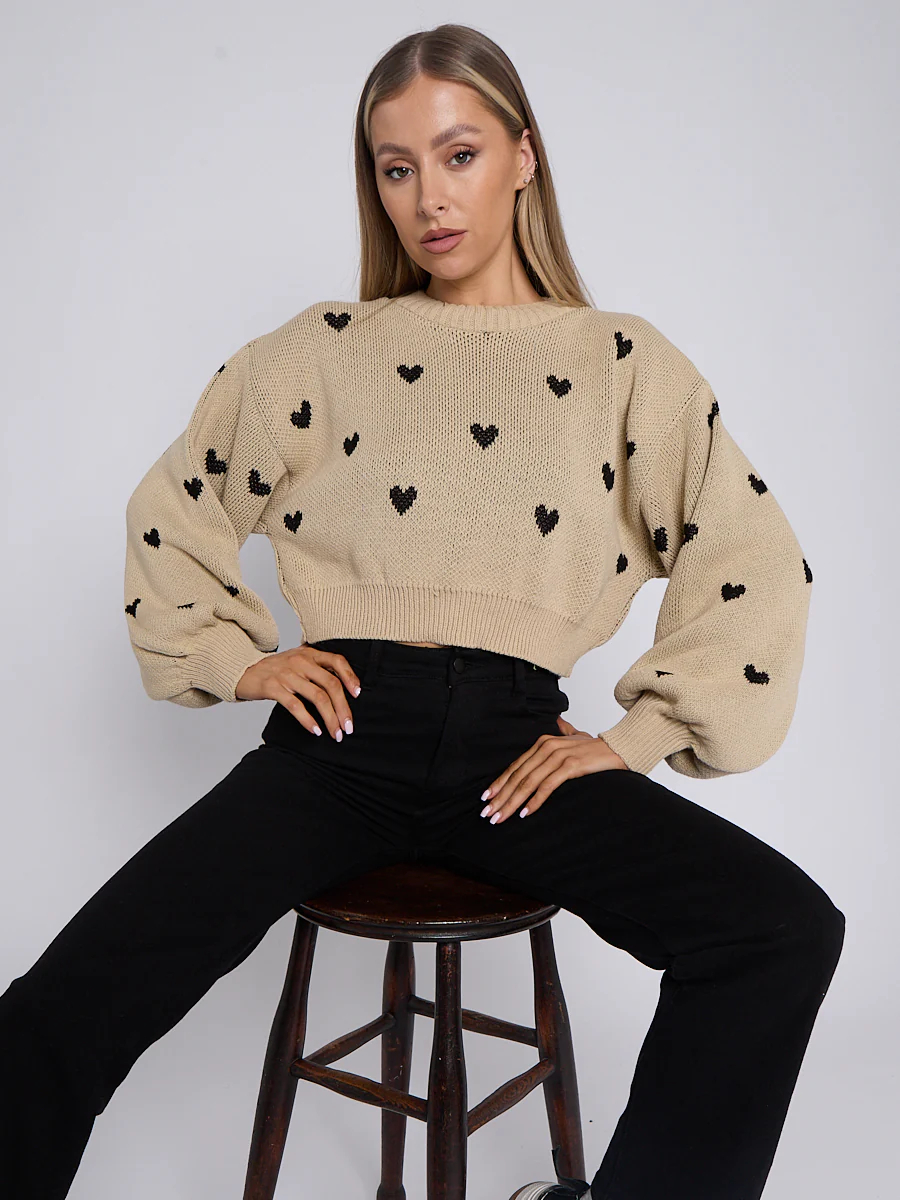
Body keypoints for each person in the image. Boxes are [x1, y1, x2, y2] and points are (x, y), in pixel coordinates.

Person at [0, 22, 845, 1200]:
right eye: (396, 168)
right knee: (64, 1003)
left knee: (781, 929)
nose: (428, 198)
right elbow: (174, 506)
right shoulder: (321, 351)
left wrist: (636, 737)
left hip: (514, 756)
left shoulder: (624, 363)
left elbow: (753, 553)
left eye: (458, 155)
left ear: (523, 156)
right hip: (338, 741)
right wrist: (242, 662)